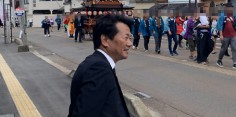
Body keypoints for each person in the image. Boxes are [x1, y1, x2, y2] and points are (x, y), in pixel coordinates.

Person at [68, 14, 132, 117]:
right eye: (126, 38)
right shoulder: (98, 69)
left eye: (130, 38)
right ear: (105, 40)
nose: (130, 43)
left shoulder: (99, 63)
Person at [216, 3, 236, 69]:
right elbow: (220, 25)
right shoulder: (222, 15)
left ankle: (235, 63)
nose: (230, 9)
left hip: (233, 35)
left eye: (231, 7)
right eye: (229, 7)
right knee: (224, 48)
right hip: (225, 35)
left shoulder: (233, 16)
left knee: (234, 48)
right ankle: (219, 60)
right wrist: (221, 35)